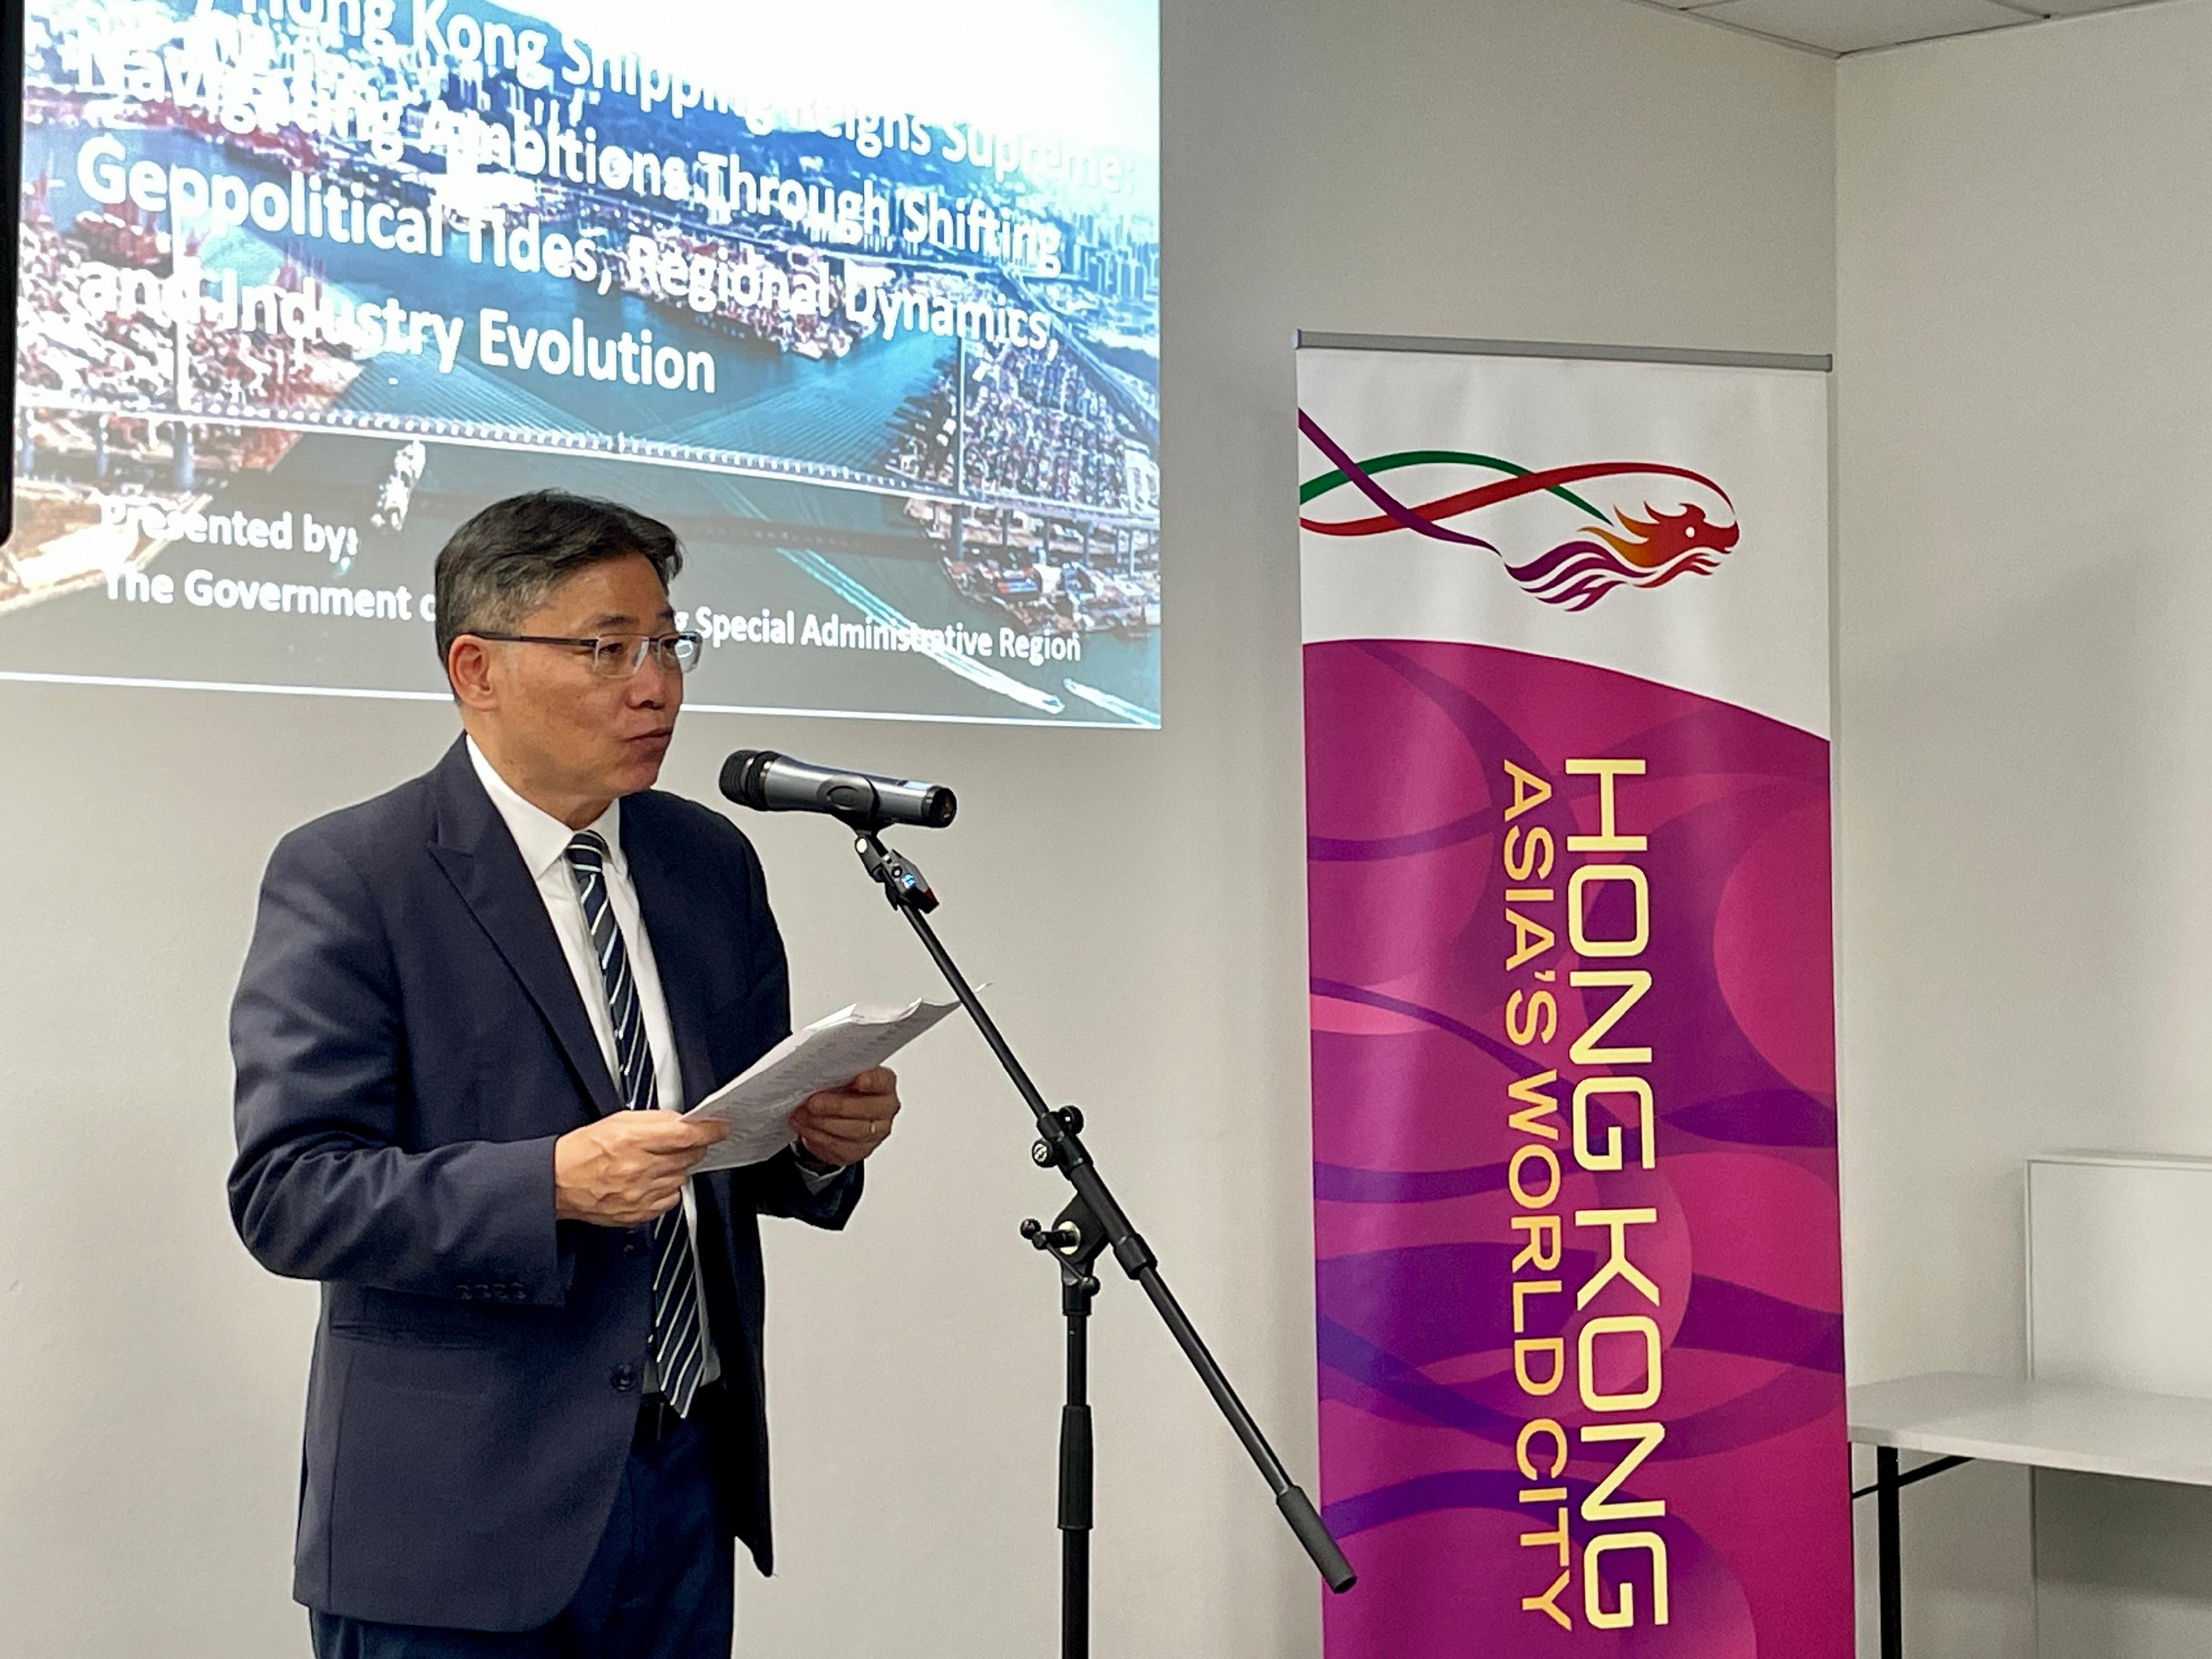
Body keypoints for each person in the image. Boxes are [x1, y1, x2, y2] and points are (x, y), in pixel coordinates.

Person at [227, 490, 902, 1657]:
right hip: (455, 1523)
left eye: (667, 644)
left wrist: (812, 1141)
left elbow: (728, 1138)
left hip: (684, 1480)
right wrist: (544, 1183)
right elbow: (289, 1193)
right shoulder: (355, 875)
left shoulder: (704, 861)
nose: (657, 685)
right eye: (606, 650)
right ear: (476, 668)